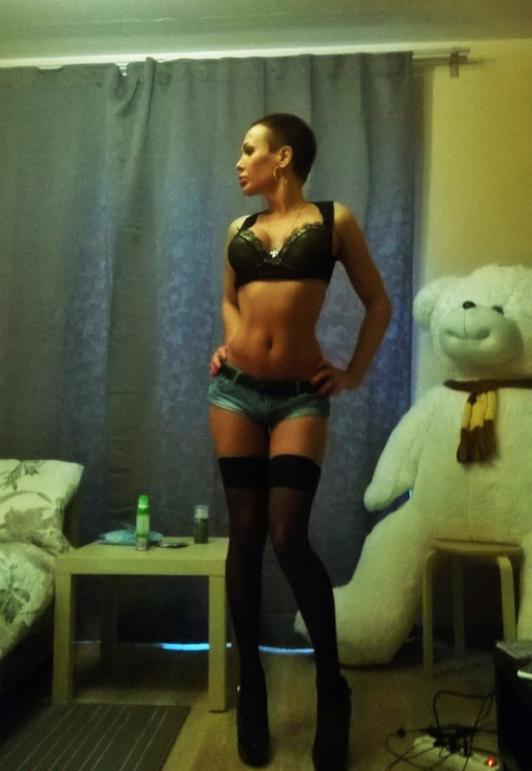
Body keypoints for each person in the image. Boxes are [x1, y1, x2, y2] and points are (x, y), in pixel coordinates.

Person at [208, 113, 392, 771]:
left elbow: (378, 303)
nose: (239, 161)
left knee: (287, 535)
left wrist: (353, 371)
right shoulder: (238, 229)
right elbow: (231, 300)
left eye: (249, 149)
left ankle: (330, 686)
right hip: (234, 392)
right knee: (245, 533)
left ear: (282, 157)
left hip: (298, 398)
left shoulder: (334, 220)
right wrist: (230, 341)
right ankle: (252, 688)